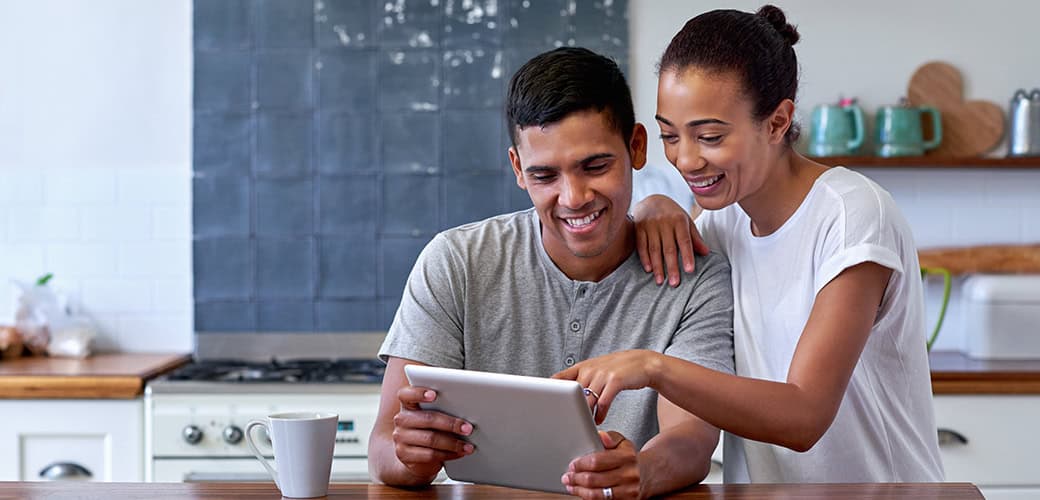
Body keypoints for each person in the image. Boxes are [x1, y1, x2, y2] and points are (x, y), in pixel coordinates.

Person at [555, 5, 944, 483]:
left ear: (778, 122)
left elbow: (804, 416)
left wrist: (654, 367)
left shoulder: (853, 216)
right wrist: (655, 204)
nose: (687, 159)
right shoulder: (722, 219)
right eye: (669, 136)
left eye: (711, 136)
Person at [368, 47, 736, 498]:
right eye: (545, 175)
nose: (574, 197)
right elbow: (384, 448)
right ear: (518, 169)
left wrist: (640, 470)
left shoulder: (696, 277)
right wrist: (409, 457)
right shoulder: (455, 261)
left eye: (595, 166)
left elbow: (692, 442)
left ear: (636, 147)